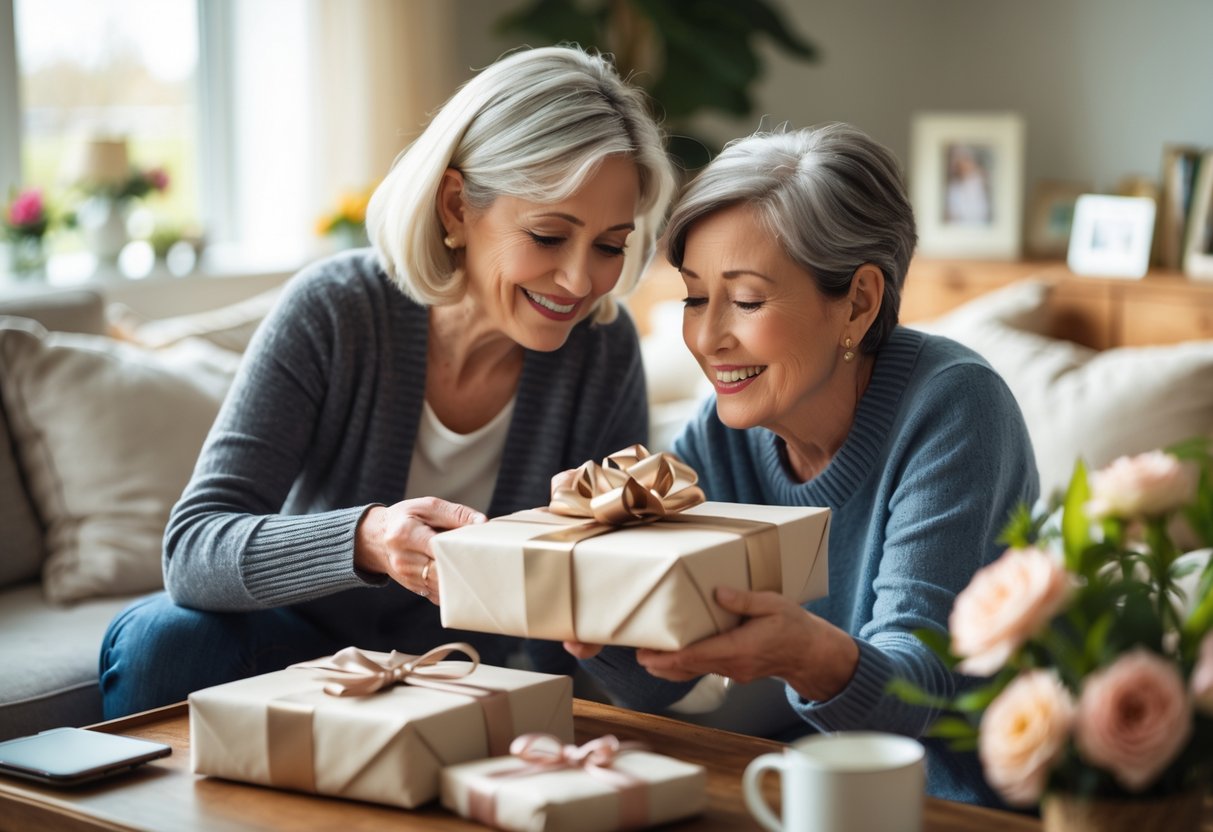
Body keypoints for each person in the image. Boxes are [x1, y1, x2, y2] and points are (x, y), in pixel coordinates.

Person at [98, 45, 676, 718]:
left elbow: (650, 679)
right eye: (548, 235)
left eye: (609, 245)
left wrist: (603, 617)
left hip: (477, 679)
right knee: (162, 642)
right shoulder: (336, 311)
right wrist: (366, 539)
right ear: (457, 207)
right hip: (300, 654)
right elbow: (194, 548)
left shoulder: (601, 352)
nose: (580, 281)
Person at [563, 123, 1039, 807]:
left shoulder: (956, 405)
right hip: (803, 788)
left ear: (858, 302)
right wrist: (598, 619)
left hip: (957, 804)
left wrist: (804, 656)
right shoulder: (723, 431)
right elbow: (655, 684)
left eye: (747, 300)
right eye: (695, 297)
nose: (706, 337)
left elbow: (921, 682)